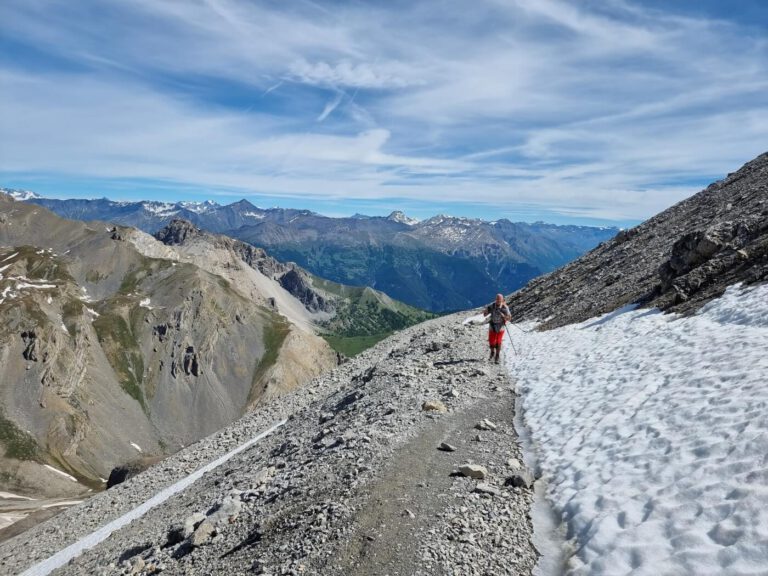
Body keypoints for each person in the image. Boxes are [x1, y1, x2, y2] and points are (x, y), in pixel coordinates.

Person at [483, 293, 511, 364]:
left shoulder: (505, 307)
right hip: (492, 325)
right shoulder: (492, 306)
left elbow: (509, 318)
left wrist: (504, 316)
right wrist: (486, 311)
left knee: (498, 341)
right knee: (491, 340)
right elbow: (485, 314)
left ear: (502, 300)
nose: (498, 301)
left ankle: (497, 356)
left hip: (501, 326)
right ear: (496, 299)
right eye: (497, 299)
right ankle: (492, 352)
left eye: (499, 299)